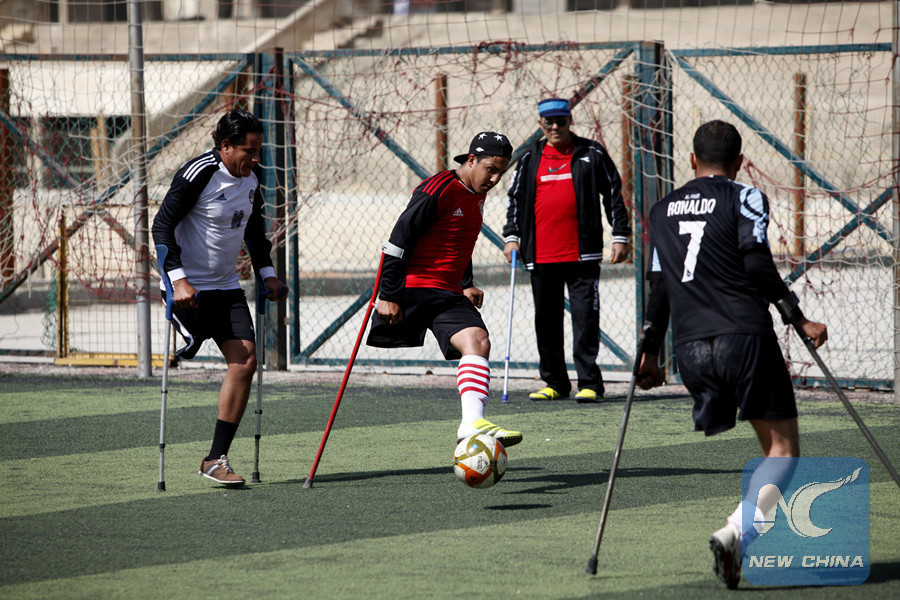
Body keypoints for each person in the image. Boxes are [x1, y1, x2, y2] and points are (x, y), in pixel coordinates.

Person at [636, 120, 828, 589]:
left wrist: (649, 353)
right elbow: (756, 263)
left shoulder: (661, 209)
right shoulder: (745, 197)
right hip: (744, 337)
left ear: (692, 160)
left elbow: (659, 287)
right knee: (782, 450)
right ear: (740, 162)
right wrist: (797, 317)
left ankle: (741, 545)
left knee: (767, 447)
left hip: (690, 351)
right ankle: (739, 531)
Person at [151, 109, 287, 488]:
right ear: (226, 146)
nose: (256, 158)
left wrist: (268, 274)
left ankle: (215, 459)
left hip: (226, 287)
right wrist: (178, 281)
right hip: (187, 290)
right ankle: (191, 337)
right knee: (199, 342)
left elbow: (254, 232)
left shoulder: (251, 180)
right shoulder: (198, 173)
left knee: (246, 362)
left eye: (258, 150)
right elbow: (162, 226)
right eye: (249, 150)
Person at [366, 131, 522, 448]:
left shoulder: (477, 191)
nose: (494, 179)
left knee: (478, 340)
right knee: (475, 339)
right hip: (413, 288)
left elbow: (458, 238)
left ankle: (471, 424)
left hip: (447, 292)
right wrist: (388, 295)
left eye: (500, 173)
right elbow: (397, 242)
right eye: (490, 169)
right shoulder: (436, 190)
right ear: (471, 160)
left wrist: (466, 283)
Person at [503, 97, 631, 403]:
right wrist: (511, 236)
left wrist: (620, 235)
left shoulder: (591, 152)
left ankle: (589, 383)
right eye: (549, 122)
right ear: (541, 124)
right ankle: (555, 382)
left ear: (570, 121)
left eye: (561, 121)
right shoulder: (530, 157)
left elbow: (613, 192)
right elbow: (515, 199)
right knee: (546, 322)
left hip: (582, 255)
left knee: (586, 319)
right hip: (540, 255)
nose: (555, 127)